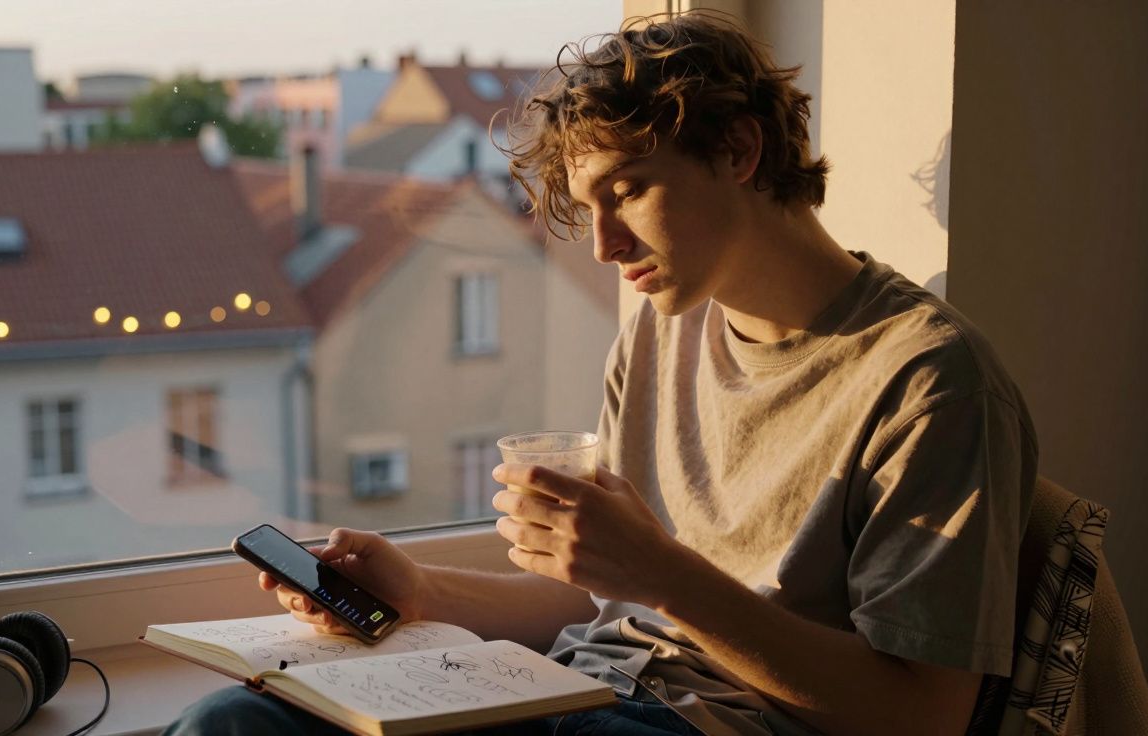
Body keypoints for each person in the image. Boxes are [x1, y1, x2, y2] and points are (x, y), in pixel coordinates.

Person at [166, 10, 1035, 736]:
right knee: (226, 726)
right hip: (582, 692)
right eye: (588, 209)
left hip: (695, 726)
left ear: (738, 151)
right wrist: (421, 591)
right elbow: (597, 608)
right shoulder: (661, 336)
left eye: (629, 191)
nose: (605, 245)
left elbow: (924, 716)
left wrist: (663, 574)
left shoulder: (930, 382)